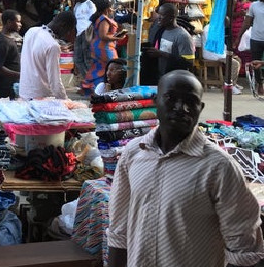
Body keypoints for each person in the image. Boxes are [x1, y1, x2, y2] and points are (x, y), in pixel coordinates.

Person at [107, 70, 264, 267]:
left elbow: (244, 250)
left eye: (191, 101)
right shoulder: (133, 153)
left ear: (201, 108)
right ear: (156, 101)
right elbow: (118, 231)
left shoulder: (219, 167)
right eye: (171, 98)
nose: (181, 108)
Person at [18, 11, 77, 100]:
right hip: (41, 97)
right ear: (63, 26)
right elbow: (55, 81)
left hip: (24, 92)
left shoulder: (31, 31)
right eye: (68, 31)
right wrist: (65, 100)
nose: (67, 34)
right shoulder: (53, 45)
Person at [82, 0, 125, 93]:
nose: (113, 9)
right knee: (112, 67)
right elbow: (103, 36)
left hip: (100, 46)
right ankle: (103, 89)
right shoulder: (104, 19)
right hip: (104, 48)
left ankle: (98, 88)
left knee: (101, 67)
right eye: (111, 7)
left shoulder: (101, 18)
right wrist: (117, 38)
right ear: (107, 9)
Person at [144, 3, 195, 78]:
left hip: (175, 79)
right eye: (159, 15)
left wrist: (161, 54)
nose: (159, 18)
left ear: (171, 18)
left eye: (162, 15)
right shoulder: (161, 31)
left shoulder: (183, 36)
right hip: (162, 77)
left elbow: (189, 62)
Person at [235, 0, 264, 95]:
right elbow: (247, 23)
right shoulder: (254, 5)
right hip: (256, 38)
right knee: (255, 62)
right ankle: (260, 84)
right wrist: (238, 37)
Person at [0, 10, 22, 99]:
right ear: (9, 22)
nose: (20, 24)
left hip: (7, 86)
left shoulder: (1, 36)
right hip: (3, 89)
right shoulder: (3, 42)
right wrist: (20, 75)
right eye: (18, 21)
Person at [201, 23, 242, 95]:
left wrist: (229, 53)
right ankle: (230, 85)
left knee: (238, 59)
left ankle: (234, 82)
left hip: (219, 53)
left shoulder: (217, 28)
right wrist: (226, 55)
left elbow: (222, 44)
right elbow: (213, 45)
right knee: (235, 64)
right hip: (212, 54)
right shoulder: (209, 29)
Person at [72, 0, 96, 86]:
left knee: (87, 59)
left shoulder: (89, 4)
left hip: (86, 32)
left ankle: (91, 82)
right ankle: (87, 78)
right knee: (77, 59)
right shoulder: (77, 6)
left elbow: (93, 18)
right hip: (78, 33)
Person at [233, 0, 254, 68]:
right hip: (237, 27)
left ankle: (247, 69)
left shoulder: (252, 1)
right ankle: (239, 69)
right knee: (238, 47)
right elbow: (229, 14)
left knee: (247, 48)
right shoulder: (235, 0)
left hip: (248, 27)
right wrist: (239, 14)